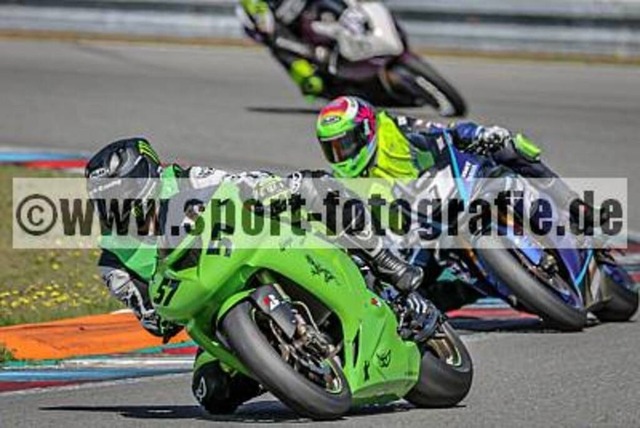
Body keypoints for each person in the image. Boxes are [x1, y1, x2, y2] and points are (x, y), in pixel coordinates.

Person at [85, 137, 432, 414]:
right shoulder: (114, 261)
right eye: (104, 200)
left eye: (118, 194)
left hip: (251, 252)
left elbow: (239, 186)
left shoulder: (185, 179)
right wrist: (157, 313)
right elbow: (153, 319)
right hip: (213, 313)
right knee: (211, 392)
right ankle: (281, 366)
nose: (113, 206)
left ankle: (381, 259)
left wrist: (267, 190)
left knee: (313, 187)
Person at [314, 95, 609, 310]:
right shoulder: (345, 182)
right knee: (413, 293)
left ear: (367, 131)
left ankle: (575, 207)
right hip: (422, 230)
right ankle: (489, 288)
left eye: (346, 143)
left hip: (452, 185)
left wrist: (479, 134)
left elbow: (444, 131)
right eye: (333, 149)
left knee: (512, 148)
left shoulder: (394, 127)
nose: (341, 154)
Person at [238, 0, 359, 97]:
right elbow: (265, 27)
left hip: (316, 12)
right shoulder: (268, 28)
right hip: (297, 34)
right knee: (313, 82)